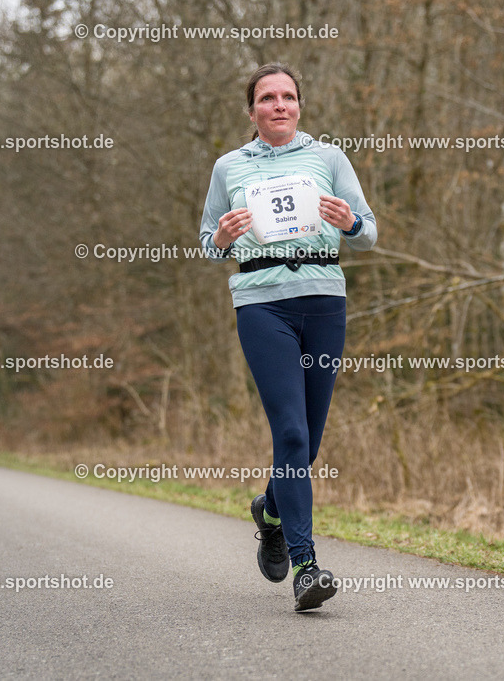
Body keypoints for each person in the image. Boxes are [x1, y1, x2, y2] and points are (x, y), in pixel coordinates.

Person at [199, 62, 377, 611]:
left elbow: (368, 233)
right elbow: (208, 241)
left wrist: (349, 223)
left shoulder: (328, 159)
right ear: (251, 110)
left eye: (288, 97)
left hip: (324, 303)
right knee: (292, 435)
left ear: (299, 105)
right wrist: (223, 237)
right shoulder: (229, 166)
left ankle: (271, 513)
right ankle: (306, 566)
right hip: (261, 306)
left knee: (310, 441)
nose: (279, 105)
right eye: (268, 98)